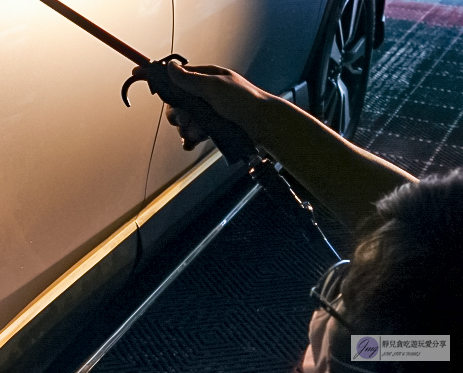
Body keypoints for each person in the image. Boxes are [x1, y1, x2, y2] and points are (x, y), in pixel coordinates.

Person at [160, 62, 462, 373]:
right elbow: (429, 231)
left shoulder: (418, 348)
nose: (327, 301)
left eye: (341, 303)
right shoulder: (430, 346)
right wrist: (255, 112)